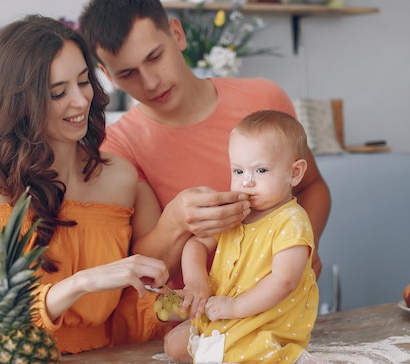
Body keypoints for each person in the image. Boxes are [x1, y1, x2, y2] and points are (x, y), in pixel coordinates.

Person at [79, 0, 331, 284]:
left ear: (177, 35)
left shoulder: (264, 99)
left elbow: (312, 187)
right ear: (107, 73)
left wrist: (304, 245)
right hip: (191, 321)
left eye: (154, 57)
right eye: (127, 73)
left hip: (277, 309)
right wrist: (175, 221)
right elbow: (146, 272)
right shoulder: (118, 148)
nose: (149, 83)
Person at [0, 15, 171, 354]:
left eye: (84, 81)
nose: (80, 100)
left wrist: (183, 308)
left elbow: (136, 304)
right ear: (20, 103)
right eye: (58, 92)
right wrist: (84, 282)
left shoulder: (121, 177)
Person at [163, 110, 332, 364]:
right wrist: (196, 281)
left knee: (234, 352)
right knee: (173, 346)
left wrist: (235, 307)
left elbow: (285, 280)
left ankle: (287, 355)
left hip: (264, 321)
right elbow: (197, 243)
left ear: (295, 173)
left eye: (261, 170)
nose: (247, 182)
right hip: (228, 314)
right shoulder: (235, 212)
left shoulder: (291, 221)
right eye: (239, 171)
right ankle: (233, 348)